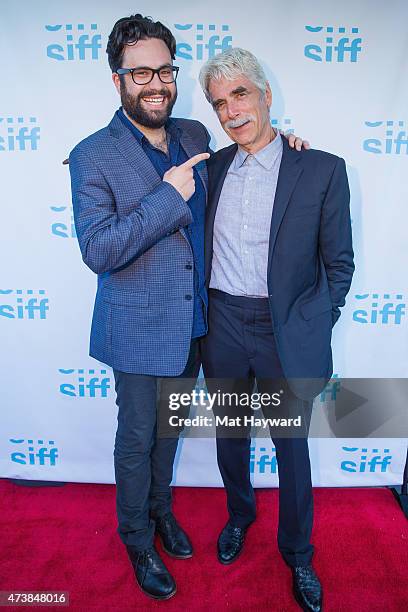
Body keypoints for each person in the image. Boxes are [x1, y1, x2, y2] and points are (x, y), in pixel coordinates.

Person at [199, 47, 354, 612]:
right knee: (231, 435)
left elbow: (340, 264)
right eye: (220, 103)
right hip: (222, 323)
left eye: (240, 94)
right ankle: (240, 516)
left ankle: (298, 552)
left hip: (284, 329)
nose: (232, 111)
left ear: (266, 95)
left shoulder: (320, 168)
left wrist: (315, 319)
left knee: (291, 446)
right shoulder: (211, 168)